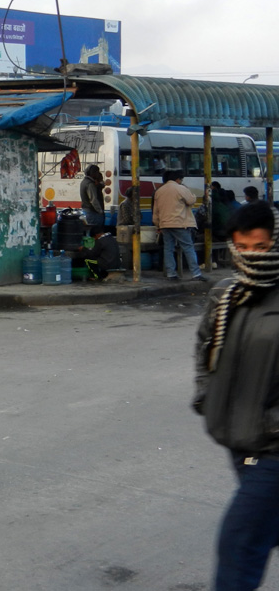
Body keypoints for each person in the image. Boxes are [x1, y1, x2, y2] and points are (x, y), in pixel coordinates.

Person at [193, 201, 279, 590]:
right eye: (243, 248)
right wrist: (207, 397)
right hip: (239, 440)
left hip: (274, 449)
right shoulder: (226, 294)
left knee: (239, 543)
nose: (251, 257)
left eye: (261, 248)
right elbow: (205, 347)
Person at [153, 169, 206, 281]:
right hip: (180, 223)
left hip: (165, 224)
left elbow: (156, 211)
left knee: (168, 249)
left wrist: (158, 225)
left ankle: (171, 273)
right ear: (178, 179)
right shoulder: (181, 188)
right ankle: (196, 273)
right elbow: (191, 201)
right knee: (188, 248)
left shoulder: (159, 191)